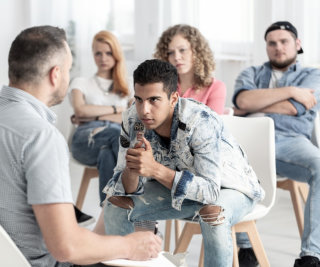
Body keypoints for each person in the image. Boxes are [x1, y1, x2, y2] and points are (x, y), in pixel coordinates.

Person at [0, 26, 161, 267]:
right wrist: (131, 246)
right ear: (55, 74)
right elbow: (66, 248)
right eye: (69, 69)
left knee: (118, 200)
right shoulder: (40, 137)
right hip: (44, 263)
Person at [103, 59, 264, 267]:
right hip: (179, 189)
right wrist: (133, 169)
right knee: (116, 204)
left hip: (231, 188)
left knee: (213, 214)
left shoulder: (201, 121)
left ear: (173, 98)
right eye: (139, 99)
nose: (144, 110)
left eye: (154, 100)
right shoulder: (132, 119)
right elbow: (123, 187)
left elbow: (210, 193)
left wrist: (156, 170)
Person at [233, 21, 320, 267]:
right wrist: (292, 90)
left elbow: (295, 108)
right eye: (272, 43)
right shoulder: (250, 72)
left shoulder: (313, 75)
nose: (278, 47)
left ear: (297, 44)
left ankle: (311, 256)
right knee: (235, 161)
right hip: (250, 141)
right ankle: (246, 249)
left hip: (290, 142)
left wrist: (254, 103)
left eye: (284, 42)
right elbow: (241, 100)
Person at [69, 30, 133, 205]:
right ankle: (137, 210)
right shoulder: (80, 82)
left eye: (108, 53)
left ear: (116, 54)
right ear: (93, 54)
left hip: (112, 141)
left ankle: (109, 216)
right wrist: (117, 109)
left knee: (107, 152)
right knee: (118, 138)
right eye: (98, 53)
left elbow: (133, 117)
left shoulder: (127, 86)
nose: (103, 58)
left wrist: (96, 114)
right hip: (85, 140)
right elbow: (80, 111)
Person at [154, 24, 226, 114]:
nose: (176, 57)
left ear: (197, 51)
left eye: (182, 50)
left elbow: (213, 126)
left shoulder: (215, 88)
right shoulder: (161, 84)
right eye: (170, 52)